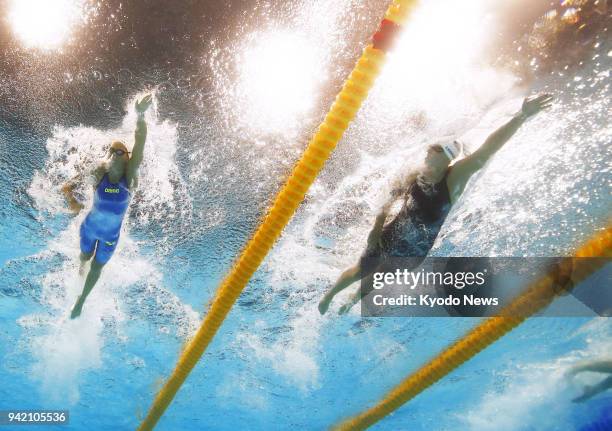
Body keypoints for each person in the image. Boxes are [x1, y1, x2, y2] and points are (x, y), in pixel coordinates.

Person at [318, 94, 553, 315]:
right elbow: (390, 197)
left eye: (434, 153)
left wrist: (521, 116)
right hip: (390, 235)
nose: (427, 156)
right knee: (362, 268)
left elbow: (486, 150)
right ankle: (331, 294)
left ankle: (352, 300)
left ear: (447, 159)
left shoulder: (454, 178)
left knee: (377, 279)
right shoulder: (416, 172)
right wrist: (376, 228)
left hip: (414, 251)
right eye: (428, 152)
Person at [62, 94, 153, 319]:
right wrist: (73, 203)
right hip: (89, 228)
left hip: (110, 236)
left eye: (120, 151)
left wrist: (140, 115)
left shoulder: (129, 178)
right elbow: (67, 186)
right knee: (83, 259)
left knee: (97, 267)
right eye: (112, 150)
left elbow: (139, 145)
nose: (115, 154)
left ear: (126, 158)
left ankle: (81, 300)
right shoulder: (98, 173)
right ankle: (77, 282)